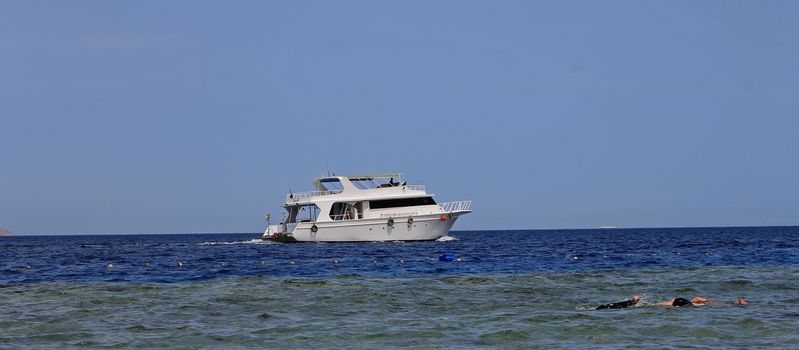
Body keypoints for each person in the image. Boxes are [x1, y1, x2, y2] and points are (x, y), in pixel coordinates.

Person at [596, 295, 747, 310]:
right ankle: (735, 303)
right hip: (680, 302)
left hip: (679, 302)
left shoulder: (607, 308)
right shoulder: (611, 307)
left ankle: (734, 303)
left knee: (702, 306)